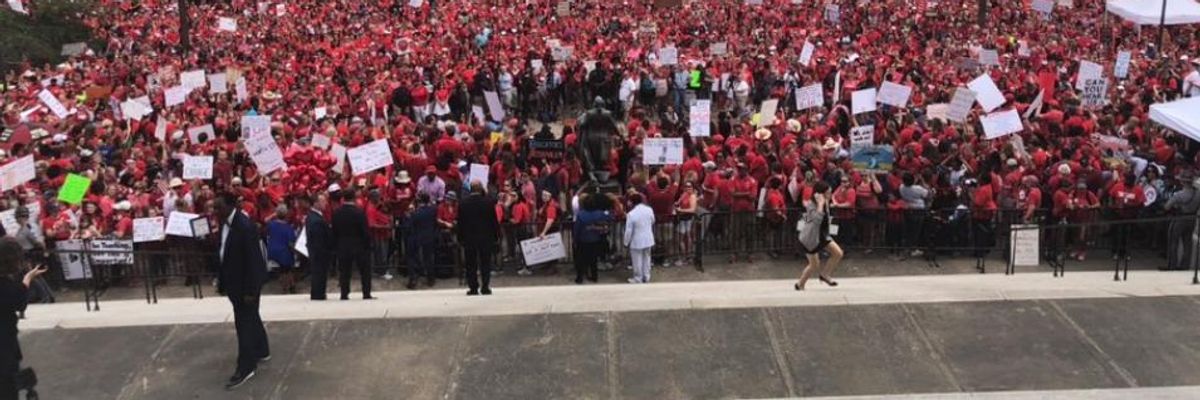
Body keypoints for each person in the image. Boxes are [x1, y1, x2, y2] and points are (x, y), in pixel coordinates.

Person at [213, 192, 270, 390]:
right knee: (251, 317)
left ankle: (246, 367)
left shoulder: (245, 227)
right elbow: (224, 253)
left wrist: (250, 291)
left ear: (230, 206)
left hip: (246, 286)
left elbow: (254, 262)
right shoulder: (224, 223)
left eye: (218, 207)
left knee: (243, 325)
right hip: (233, 283)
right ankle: (262, 349)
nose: (215, 211)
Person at [0, 238, 47, 400]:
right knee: (7, 386)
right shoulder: (5, 284)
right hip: (4, 344)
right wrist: (28, 279)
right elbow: (19, 301)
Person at [795, 181, 844, 291]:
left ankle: (825, 275)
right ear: (820, 194)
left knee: (838, 253)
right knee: (814, 264)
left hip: (823, 234)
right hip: (811, 237)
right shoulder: (811, 205)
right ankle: (800, 284)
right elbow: (816, 220)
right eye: (828, 193)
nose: (830, 195)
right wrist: (820, 205)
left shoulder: (826, 201)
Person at [457, 181, 500, 295]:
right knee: (485, 262)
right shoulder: (488, 202)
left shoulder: (463, 203)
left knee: (471, 263)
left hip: (469, 237)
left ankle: (473, 287)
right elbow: (493, 221)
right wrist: (496, 236)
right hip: (485, 237)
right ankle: (485, 286)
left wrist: (460, 237)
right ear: (481, 189)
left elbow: (460, 222)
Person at [331, 189, 373, 300]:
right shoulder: (359, 213)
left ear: (343, 198)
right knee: (364, 270)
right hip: (359, 245)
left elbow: (334, 231)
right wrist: (367, 244)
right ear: (354, 198)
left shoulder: (337, 213)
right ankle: (366, 292)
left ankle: (344, 293)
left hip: (343, 245)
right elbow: (365, 231)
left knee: (344, 271)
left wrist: (336, 245)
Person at [573, 193, 612, 284]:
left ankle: (580, 277)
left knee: (581, 260)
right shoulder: (599, 213)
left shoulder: (581, 215)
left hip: (583, 239)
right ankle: (594, 276)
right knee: (593, 260)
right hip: (595, 239)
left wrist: (575, 239)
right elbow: (609, 217)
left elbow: (577, 229)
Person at [300, 194, 333, 300]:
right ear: (316, 203)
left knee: (319, 272)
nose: (325, 204)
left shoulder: (315, 217)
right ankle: (318, 294)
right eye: (323, 201)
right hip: (319, 251)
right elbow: (318, 238)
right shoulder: (315, 219)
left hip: (317, 251)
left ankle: (318, 292)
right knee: (319, 272)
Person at [404, 194, 439, 290]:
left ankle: (413, 279)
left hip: (417, 237)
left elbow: (410, 226)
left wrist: (408, 216)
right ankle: (430, 278)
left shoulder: (416, 213)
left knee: (413, 258)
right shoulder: (433, 210)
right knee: (429, 258)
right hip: (429, 236)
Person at [264, 205, 298, 294]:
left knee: (283, 269)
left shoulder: (271, 225)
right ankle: (289, 287)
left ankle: (288, 286)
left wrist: (273, 215)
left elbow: (265, 221)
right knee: (288, 268)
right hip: (283, 252)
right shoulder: (288, 228)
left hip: (273, 250)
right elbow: (291, 243)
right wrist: (295, 252)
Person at [624, 193, 655, 283]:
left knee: (637, 260)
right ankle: (646, 276)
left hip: (636, 239)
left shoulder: (631, 214)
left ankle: (638, 277)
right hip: (648, 237)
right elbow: (653, 220)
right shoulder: (649, 209)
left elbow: (628, 231)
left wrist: (626, 242)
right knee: (647, 258)